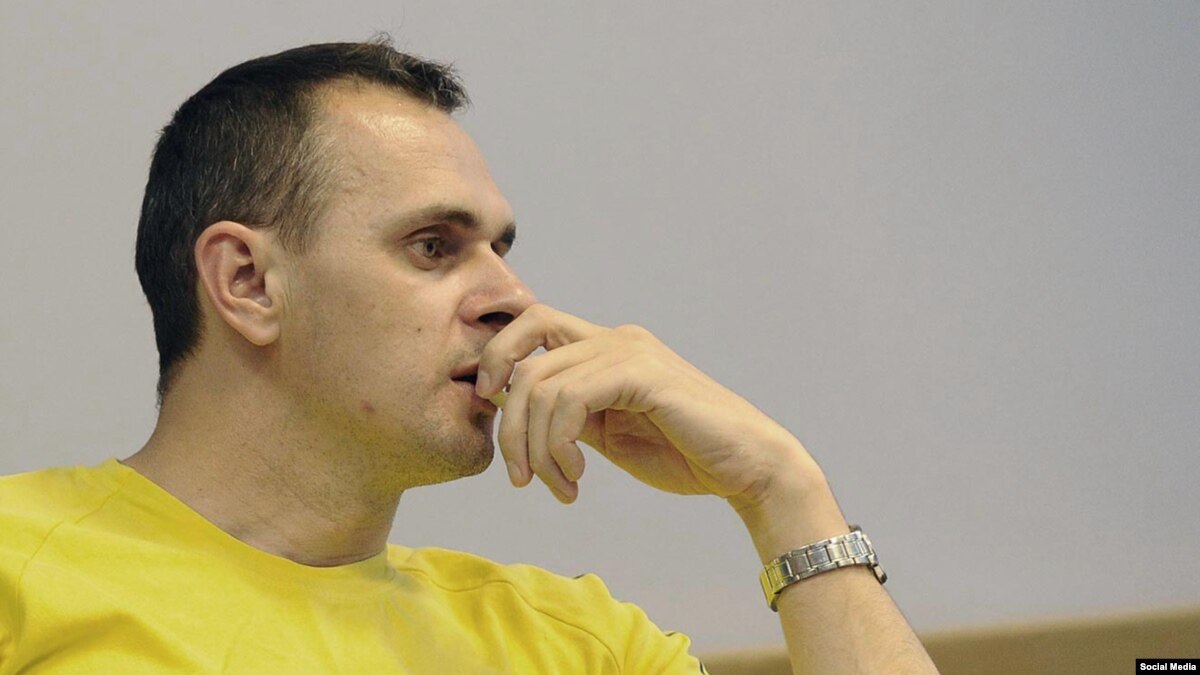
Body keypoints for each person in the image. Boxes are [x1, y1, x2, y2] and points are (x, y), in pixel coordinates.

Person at [0, 39, 938, 673]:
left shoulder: (581, 647)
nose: (512, 298)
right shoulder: (20, 571)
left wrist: (781, 491)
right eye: (433, 247)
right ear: (247, 281)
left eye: (501, 247)